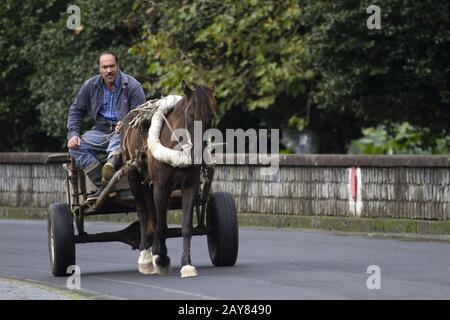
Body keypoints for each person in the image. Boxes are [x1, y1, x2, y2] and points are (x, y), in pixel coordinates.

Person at [67, 51, 146, 200]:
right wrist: (73, 134)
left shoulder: (133, 86)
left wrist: (126, 124)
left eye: (112, 66)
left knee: (118, 142)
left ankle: (111, 163)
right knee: (75, 147)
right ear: (99, 69)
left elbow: (141, 114)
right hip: (100, 132)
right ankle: (103, 185)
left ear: (118, 66)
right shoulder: (90, 86)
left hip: (125, 132)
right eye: (105, 67)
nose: (108, 70)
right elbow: (76, 110)